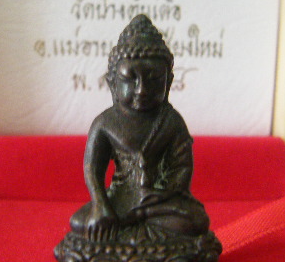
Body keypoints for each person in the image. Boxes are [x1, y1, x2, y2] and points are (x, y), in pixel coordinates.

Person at [69, 14, 208, 242]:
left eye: (154, 79)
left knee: (196, 221)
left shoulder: (171, 121)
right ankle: (127, 223)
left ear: (168, 83)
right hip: (119, 200)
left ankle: (130, 225)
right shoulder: (105, 123)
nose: (142, 89)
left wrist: (163, 193)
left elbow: (182, 166)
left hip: (158, 202)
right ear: (112, 82)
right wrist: (100, 204)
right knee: (79, 221)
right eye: (130, 78)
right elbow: (93, 169)